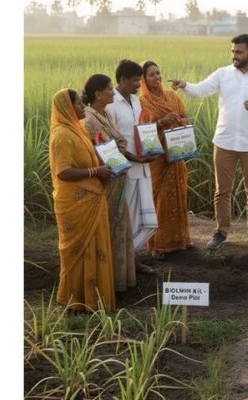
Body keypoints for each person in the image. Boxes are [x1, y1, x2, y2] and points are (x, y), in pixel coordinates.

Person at [170, 33, 248, 253]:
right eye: (232, 51)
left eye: (239, 52)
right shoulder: (223, 74)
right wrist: (184, 85)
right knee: (222, 191)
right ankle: (220, 232)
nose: (234, 55)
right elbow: (201, 90)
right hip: (224, 141)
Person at [48, 88, 115, 311]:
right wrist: (96, 172)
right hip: (75, 202)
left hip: (92, 197)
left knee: (96, 248)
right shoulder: (62, 135)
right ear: (67, 108)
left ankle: (94, 299)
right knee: (78, 251)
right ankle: (76, 300)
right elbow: (63, 171)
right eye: (77, 103)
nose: (82, 106)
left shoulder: (76, 129)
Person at [82, 74, 138, 292]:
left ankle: (120, 278)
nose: (113, 92)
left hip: (117, 176)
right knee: (111, 226)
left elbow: (116, 143)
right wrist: (116, 152)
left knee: (120, 225)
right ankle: (109, 281)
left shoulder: (103, 114)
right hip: (107, 180)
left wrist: (119, 151)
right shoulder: (89, 119)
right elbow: (98, 150)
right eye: (109, 89)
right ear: (98, 94)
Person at [105, 59, 158, 274]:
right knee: (125, 218)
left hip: (142, 167)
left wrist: (151, 147)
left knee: (139, 218)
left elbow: (141, 130)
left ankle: (132, 260)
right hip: (124, 170)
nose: (139, 84)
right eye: (135, 81)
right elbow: (112, 142)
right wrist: (135, 158)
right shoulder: (111, 104)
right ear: (123, 79)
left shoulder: (136, 101)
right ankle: (120, 264)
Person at [138, 60, 193, 259]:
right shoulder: (142, 102)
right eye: (151, 74)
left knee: (178, 195)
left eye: (158, 73)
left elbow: (185, 116)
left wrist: (181, 121)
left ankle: (180, 240)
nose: (157, 77)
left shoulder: (172, 96)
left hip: (176, 154)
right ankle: (159, 244)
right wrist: (161, 123)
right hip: (158, 158)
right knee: (160, 199)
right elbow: (142, 131)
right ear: (143, 79)